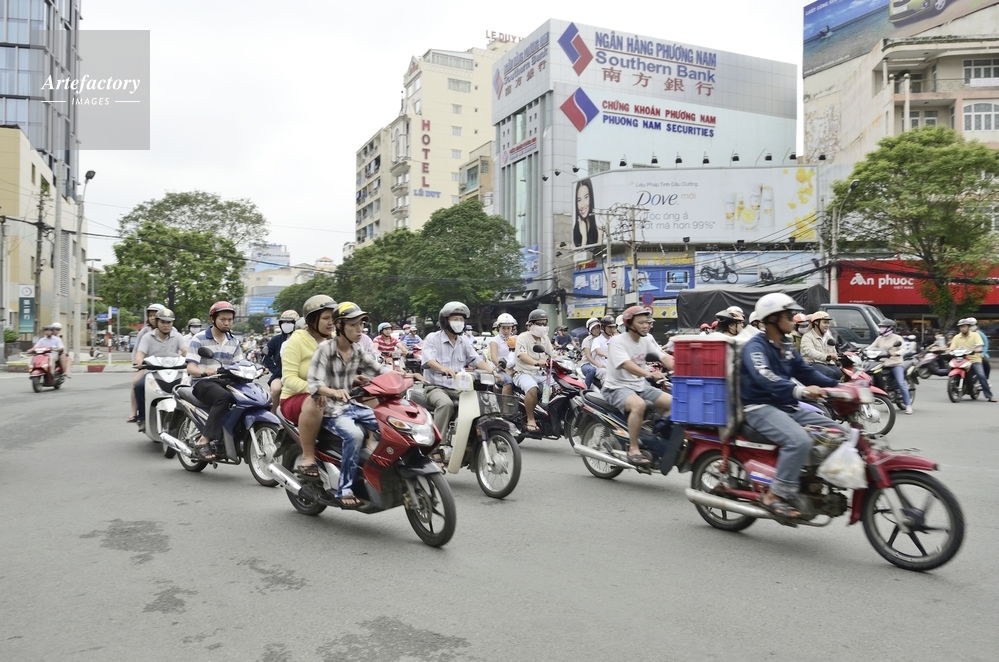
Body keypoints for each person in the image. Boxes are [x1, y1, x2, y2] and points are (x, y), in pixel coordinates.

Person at [741, 293, 846, 519]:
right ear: (772, 319)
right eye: (788, 316)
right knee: (799, 440)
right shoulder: (755, 346)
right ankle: (774, 495)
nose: (794, 321)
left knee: (841, 432)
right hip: (759, 407)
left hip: (786, 406)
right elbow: (764, 376)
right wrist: (800, 391)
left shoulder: (786, 346)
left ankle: (811, 480)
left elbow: (806, 372)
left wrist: (842, 386)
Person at [306, 303, 392, 508]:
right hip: (330, 409)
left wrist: (406, 376)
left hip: (351, 405)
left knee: (391, 424)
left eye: (361, 324)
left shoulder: (357, 350)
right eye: (353, 325)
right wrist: (333, 392)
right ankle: (344, 489)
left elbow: (380, 370)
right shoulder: (325, 349)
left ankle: (382, 473)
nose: (359, 329)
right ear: (339, 326)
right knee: (354, 435)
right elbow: (314, 384)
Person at [600, 306, 674, 466]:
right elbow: (627, 365)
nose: (646, 325)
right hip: (616, 387)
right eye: (641, 323)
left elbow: (663, 357)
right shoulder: (618, 341)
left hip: (640, 385)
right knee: (639, 405)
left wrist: (683, 369)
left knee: (675, 403)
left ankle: (656, 437)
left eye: (647, 322)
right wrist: (649, 374)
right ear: (629, 324)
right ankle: (633, 448)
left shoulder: (646, 340)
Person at [279, 296, 338, 477]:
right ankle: (308, 457)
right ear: (312, 320)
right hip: (297, 398)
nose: (331, 322)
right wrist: (316, 389)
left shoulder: (336, 340)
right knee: (316, 401)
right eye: (326, 318)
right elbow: (288, 379)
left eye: (333, 318)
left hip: (332, 395)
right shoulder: (296, 341)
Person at [421, 301, 496, 435]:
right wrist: (442, 368)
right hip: (435, 387)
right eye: (455, 319)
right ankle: (437, 442)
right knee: (446, 404)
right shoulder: (432, 338)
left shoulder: (464, 341)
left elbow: (476, 359)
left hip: (458, 387)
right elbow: (429, 361)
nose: (459, 322)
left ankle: (470, 437)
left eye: (461, 320)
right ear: (445, 321)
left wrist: (493, 372)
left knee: (480, 402)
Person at [185, 301, 244, 461]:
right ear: (213, 319)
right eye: (223, 319)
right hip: (203, 382)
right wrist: (203, 372)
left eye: (230, 320)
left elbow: (240, 364)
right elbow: (191, 368)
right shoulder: (199, 339)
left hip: (226, 382)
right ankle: (203, 440)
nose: (227, 323)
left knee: (248, 397)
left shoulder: (234, 341)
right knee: (224, 398)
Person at [133, 308, 187, 431]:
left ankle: (187, 419)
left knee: (187, 389)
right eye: (162, 322)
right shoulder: (147, 337)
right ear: (156, 322)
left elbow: (185, 350)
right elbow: (140, 352)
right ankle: (142, 418)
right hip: (153, 372)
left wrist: (190, 358)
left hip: (175, 372)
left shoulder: (177, 336)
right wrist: (139, 360)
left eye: (169, 322)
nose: (166, 325)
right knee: (139, 386)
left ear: (172, 323)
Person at [514, 309, 557, 433]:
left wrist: (562, 360)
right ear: (531, 324)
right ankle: (531, 419)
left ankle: (549, 415)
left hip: (542, 374)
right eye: (539, 323)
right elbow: (522, 355)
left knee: (559, 387)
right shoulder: (522, 338)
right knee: (532, 389)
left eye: (544, 323)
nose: (542, 326)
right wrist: (536, 362)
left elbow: (552, 354)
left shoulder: (545, 338)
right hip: (524, 372)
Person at [868, 319, 913, 414]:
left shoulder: (897, 338)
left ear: (890, 328)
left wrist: (896, 353)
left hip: (895, 364)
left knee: (901, 383)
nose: (881, 328)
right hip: (882, 364)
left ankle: (908, 405)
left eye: (883, 327)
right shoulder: (880, 338)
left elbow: (903, 349)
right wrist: (862, 350)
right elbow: (871, 347)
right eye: (881, 327)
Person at [949, 318, 995, 402]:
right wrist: (949, 351)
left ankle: (989, 396)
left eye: (964, 326)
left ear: (968, 327)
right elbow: (952, 348)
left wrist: (977, 350)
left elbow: (980, 346)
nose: (963, 328)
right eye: (961, 327)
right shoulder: (956, 337)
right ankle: (957, 387)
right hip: (961, 359)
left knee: (981, 375)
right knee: (952, 368)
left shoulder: (975, 335)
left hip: (974, 359)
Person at [263, 310, 299, 413]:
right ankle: (273, 414)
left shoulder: (302, 339)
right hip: (280, 375)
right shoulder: (276, 340)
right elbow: (266, 356)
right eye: (284, 322)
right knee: (275, 390)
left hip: (298, 375)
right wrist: (275, 370)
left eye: (289, 322)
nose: (286, 325)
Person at [798, 311, 842, 381]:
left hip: (827, 364)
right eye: (825, 322)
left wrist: (839, 358)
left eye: (828, 323)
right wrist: (827, 356)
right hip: (813, 364)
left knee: (840, 373)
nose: (827, 325)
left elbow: (834, 353)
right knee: (830, 373)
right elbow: (810, 352)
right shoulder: (807, 337)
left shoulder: (829, 338)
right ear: (816, 323)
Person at [488, 313, 517, 395]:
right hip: (499, 369)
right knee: (508, 382)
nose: (506, 331)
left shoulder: (516, 339)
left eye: (509, 328)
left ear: (512, 328)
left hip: (515, 367)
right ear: (499, 327)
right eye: (503, 328)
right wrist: (507, 370)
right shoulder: (494, 341)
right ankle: (505, 403)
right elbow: (494, 358)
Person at [573, 179, 599, 248]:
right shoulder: (575, 231)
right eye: (579, 200)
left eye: (586, 197)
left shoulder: (597, 229)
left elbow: (599, 253)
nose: (582, 205)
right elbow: (578, 254)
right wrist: (584, 237)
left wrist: (600, 236)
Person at [579, 317, 604, 388]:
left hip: (600, 362)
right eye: (593, 328)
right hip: (587, 363)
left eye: (597, 328)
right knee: (591, 370)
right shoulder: (587, 340)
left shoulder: (603, 338)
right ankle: (585, 390)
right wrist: (598, 365)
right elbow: (588, 357)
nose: (596, 330)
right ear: (590, 330)